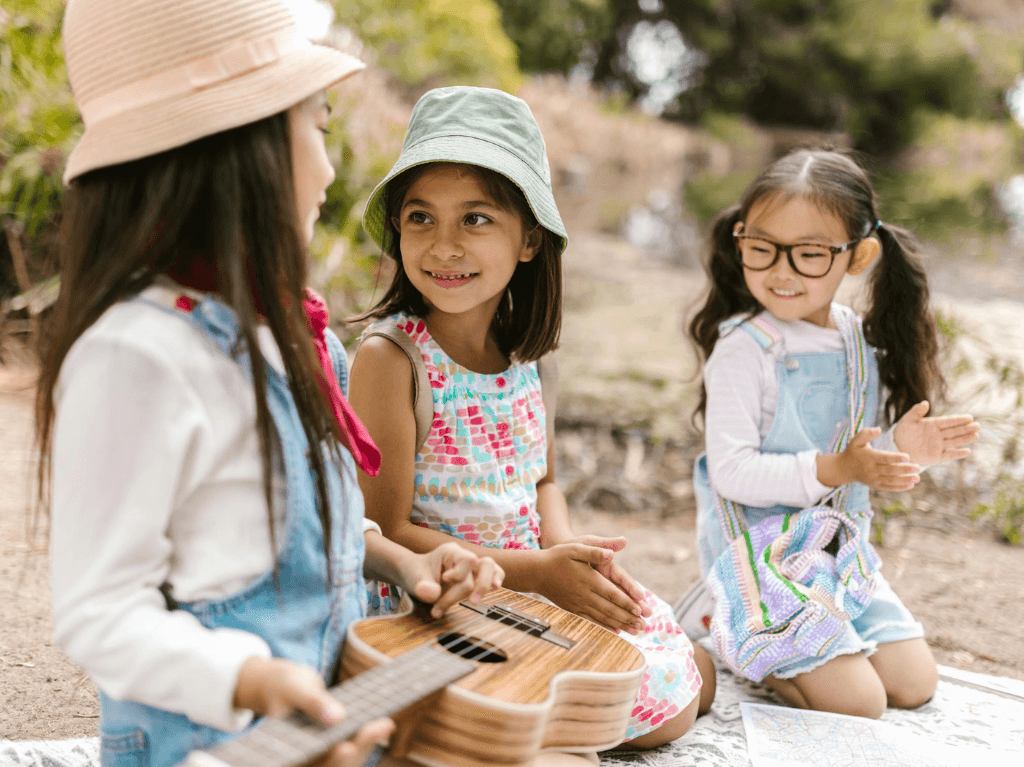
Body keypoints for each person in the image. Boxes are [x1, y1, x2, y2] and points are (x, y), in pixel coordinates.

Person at [37, 3, 502, 767]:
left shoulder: (284, 330)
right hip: (212, 745)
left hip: (327, 724)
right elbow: (98, 613)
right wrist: (253, 681)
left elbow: (301, 526)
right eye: (317, 127)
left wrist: (403, 564)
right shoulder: (138, 356)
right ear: (238, 149)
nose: (328, 167)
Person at [348, 86, 715, 764]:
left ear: (529, 239)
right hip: (439, 597)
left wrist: (569, 558)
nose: (443, 244)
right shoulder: (390, 358)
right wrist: (539, 573)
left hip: (535, 583)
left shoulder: (530, 362)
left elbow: (541, 479)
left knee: (678, 683)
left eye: (476, 219)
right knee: (634, 708)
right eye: (420, 217)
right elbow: (386, 529)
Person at [683, 148, 980, 718]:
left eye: (810, 255)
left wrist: (899, 447)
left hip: (836, 554)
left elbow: (856, 455)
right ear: (740, 239)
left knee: (914, 685)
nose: (781, 271)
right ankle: (740, 634)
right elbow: (733, 471)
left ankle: (811, 645)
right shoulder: (746, 349)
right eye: (762, 248)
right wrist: (839, 467)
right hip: (761, 559)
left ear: (858, 255)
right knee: (861, 703)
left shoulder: (855, 340)